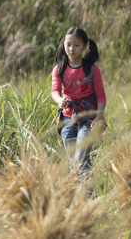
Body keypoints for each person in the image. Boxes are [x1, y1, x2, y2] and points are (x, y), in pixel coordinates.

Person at [49, 27, 106, 179]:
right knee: (73, 161)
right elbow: (54, 91)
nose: (71, 49)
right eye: (68, 44)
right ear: (63, 45)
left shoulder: (92, 69)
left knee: (81, 157)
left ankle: (87, 197)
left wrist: (99, 117)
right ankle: (81, 198)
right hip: (67, 119)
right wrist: (60, 100)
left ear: (85, 46)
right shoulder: (59, 68)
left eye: (76, 45)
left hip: (88, 118)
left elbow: (100, 96)